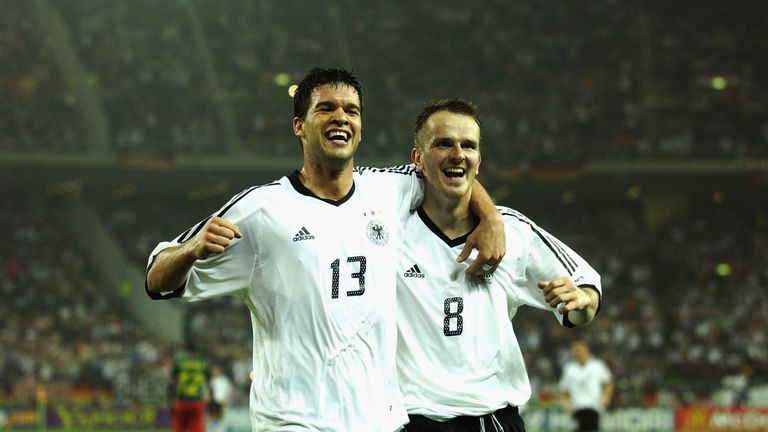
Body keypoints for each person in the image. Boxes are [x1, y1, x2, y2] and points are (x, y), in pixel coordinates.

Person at [145, 68, 505, 431]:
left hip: (380, 423)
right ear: (299, 126)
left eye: (352, 110)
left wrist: (491, 217)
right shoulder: (261, 210)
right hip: (295, 423)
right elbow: (156, 278)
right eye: (327, 108)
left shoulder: (388, 190)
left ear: (360, 127)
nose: (341, 118)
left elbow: (449, 170)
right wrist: (191, 249)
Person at [395, 98, 602, 432]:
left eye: (468, 145)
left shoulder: (513, 232)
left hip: (492, 418)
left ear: (479, 160)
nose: (458, 154)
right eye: (444, 143)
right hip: (412, 419)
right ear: (417, 158)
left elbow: (585, 293)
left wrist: (582, 302)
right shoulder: (387, 229)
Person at [558, 341, 614, 432]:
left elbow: (608, 383)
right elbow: (563, 390)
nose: (578, 353)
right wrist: (566, 403)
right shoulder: (569, 369)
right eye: (575, 351)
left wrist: (606, 397)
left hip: (594, 406)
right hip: (577, 407)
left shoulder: (597, 365)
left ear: (587, 351)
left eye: (579, 351)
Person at [170, 342, 211, 432]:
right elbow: (208, 381)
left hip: (181, 401)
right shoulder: (202, 363)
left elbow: (172, 381)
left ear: (186, 351)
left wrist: (171, 397)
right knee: (197, 428)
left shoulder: (180, 362)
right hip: (197, 401)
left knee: (178, 428)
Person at [208, 365, 235, 432]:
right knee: (212, 418)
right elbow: (209, 391)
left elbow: (230, 390)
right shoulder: (212, 380)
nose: (215, 372)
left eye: (216, 370)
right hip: (214, 402)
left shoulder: (225, 380)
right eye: (214, 371)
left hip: (222, 401)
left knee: (222, 418)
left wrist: (227, 399)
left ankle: (221, 430)